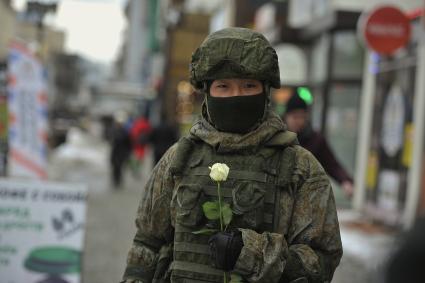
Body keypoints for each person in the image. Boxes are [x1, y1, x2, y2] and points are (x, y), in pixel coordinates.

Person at [121, 27, 342, 283]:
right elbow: (146, 243)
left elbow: (322, 262)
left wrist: (252, 253)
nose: (236, 96)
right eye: (223, 86)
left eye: (248, 86)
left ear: (265, 91)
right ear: (207, 92)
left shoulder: (300, 167)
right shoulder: (179, 159)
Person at [283, 89, 354, 197]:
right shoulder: (278, 137)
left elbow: (332, 164)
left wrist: (345, 181)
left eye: (302, 116)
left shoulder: (316, 139)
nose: (299, 121)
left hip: (307, 197)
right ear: (286, 116)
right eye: (295, 117)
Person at [109, 111, 132, 188]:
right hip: (116, 152)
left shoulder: (124, 132)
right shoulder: (114, 131)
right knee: (115, 167)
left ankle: (118, 180)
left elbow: (128, 143)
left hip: (121, 153)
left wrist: (128, 152)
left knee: (119, 167)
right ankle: (116, 180)